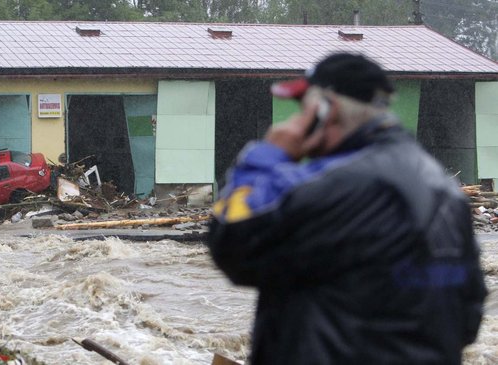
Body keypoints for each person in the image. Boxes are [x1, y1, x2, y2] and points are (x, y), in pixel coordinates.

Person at [207, 53, 487, 364]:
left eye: (303, 108)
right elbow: (469, 311)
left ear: (326, 109)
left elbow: (232, 242)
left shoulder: (331, 184)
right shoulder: (444, 188)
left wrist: (268, 156)